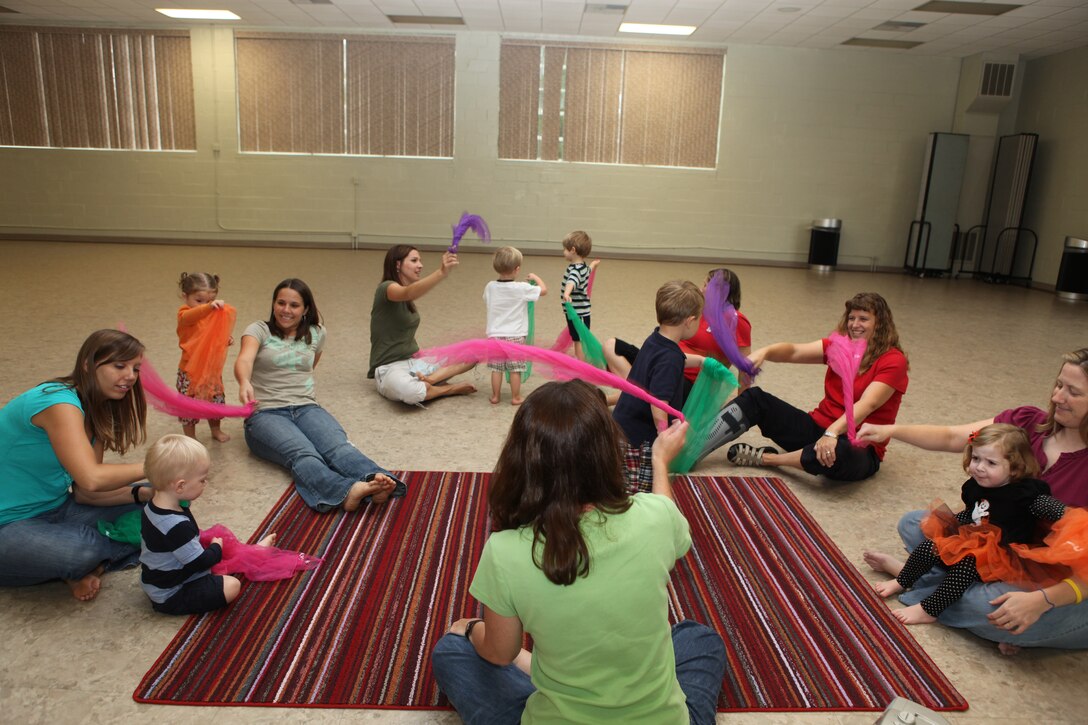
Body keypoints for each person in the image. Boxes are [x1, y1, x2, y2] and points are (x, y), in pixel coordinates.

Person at [431, 380, 726, 724]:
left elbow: (499, 652)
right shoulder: (656, 518)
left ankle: (538, 668)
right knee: (698, 636)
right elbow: (670, 519)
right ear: (608, 452)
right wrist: (659, 461)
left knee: (451, 650)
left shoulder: (505, 551)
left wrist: (470, 628)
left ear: (521, 460)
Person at [859, 347, 1088, 651]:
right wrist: (891, 430)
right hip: (1002, 544)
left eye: (1073, 392)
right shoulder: (1025, 422)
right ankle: (941, 588)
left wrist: (1041, 600)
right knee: (916, 525)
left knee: (986, 607)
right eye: (1059, 385)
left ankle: (918, 582)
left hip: (1064, 582)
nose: (1058, 397)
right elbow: (955, 437)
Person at [0, 330, 151, 601]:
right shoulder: (57, 402)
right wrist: (155, 465)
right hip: (8, 524)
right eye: (119, 365)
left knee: (158, 502)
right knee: (82, 548)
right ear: (87, 365)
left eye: (135, 368)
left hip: (57, 507)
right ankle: (82, 561)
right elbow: (92, 478)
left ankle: (84, 566)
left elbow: (85, 492)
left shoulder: (97, 410)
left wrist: (142, 493)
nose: (130, 375)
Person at [699, 292, 909, 482]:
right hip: (818, 429)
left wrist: (833, 433)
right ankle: (693, 447)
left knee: (839, 453)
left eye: (863, 319)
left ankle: (769, 459)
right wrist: (765, 352)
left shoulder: (893, 361)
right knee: (756, 399)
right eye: (852, 318)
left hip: (860, 446)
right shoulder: (839, 348)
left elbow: (868, 403)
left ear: (880, 323)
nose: (855, 324)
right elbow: (793, 352)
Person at [236, 279, 405, 512]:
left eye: (294, 305)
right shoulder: (258, 330)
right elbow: (244, 359)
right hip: (265, 414)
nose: (286, 310)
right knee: (304, 453)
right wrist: (244, 381)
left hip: (306, 407)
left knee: (338, 447)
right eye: (281, 303)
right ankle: (347, 492)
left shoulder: (317, 333)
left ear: (306, 309)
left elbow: (308, 367)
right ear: (273, 304)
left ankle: (376, 481)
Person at [873, 424, 1066, 625]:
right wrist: (949, 531)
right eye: (976, 458)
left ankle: (930, 609)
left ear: (1016, 467)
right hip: (973, 537)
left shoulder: (1026, 494)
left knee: (967, 565)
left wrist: (1073, 520)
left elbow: (1058, 512)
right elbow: (971, 512)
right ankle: (902, 580)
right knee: (930, 545)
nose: (980, 467)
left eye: (991, 463)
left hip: (1003, 554)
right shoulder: (976, 485)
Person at [140, 434, 274, 615]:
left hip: (158, 579)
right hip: (172, 593)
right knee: (232, 585)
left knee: (212, 549)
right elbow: (201, 563)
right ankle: (254, 554)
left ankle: (253, 553)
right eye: (202, 480)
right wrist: (216, 549)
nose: (206, 483)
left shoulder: (151, 506)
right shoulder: (177, 527)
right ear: (180, 486)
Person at [605, 267, 753, 398]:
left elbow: (746, 366)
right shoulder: (699, 310)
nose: (702, 289)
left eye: (706, 285)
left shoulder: (737, 322)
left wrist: (742, 402)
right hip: (666, 362)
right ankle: (635, 392)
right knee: (612, 346)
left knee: (654, 378)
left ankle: (616, 398)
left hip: (687, 380)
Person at [368, 245, 476, 405]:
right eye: (414, 260)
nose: (420, 265)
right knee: (411, 392)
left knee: (472, 353)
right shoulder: (386, 288)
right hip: (390, 368)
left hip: (416, 361)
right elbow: (408, 292)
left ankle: (431, 380)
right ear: (397, 265)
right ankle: (446, 389)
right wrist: (441, 272)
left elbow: (410, 292)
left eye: (420, 260)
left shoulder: (405, 294)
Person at [613, 280, 703, 447]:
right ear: (690, 321)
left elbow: (667, 361)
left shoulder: (656, 339)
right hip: (638, 440)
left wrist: (700, 361)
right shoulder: (670, 358)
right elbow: (659, 405)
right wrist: (664, 437)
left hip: (623, 426)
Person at [483, 246, 547, 405]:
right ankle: (516, 397)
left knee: (496, 369)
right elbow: (543, 290)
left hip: (495, 335)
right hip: (516, 336)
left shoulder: (490, 286)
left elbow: (486, 300)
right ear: (517, 269)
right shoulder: (522, 288)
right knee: (515, 369)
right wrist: (536, 277)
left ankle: (495, 396)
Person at [175, 271, 235, 442]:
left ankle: (215, 430)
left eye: (209, 300)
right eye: (199, 300)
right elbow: (191, 317)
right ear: (185, 297)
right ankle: (190, 437)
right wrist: (208, 307)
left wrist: (224, 339)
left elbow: (213, 336)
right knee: (188, 406)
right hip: (190, 370)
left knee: (215, 402)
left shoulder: (212, 314)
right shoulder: (184, 314)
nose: (205, 305)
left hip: (211, 370)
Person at [559, 230, 601, 362]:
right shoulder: (582, 267)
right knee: (581, 338)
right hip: (583, 311)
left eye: (564, 249)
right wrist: (593, 265)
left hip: (577, 313)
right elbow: (588, 271)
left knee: (578, 340)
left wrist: (566, 293)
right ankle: (581, 359)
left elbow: (572, 281)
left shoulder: (575, 270)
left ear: (572, 250)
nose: (563, 252)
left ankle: (580, 363)